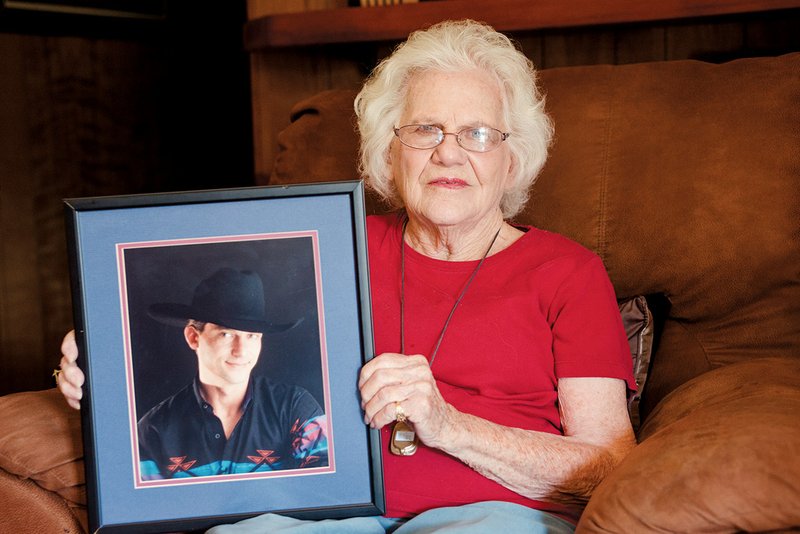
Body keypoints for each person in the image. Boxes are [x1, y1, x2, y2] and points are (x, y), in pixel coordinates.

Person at [59, 19, 635, 532]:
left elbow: (608, 463)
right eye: (426, 130)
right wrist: (107, 368)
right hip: (326, 515)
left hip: (494, 515)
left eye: (478, 134)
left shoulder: (567, 273)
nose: (450, 154)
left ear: (511, 161)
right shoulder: (329, 246)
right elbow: (223, 339)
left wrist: (453, 427)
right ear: (389, 154)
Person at [115, 267, 326, 480]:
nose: (241, 350)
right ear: (193, 337)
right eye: (226, 334)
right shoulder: (154, 431)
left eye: (252, 336)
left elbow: (327, 490)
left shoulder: (295, 408)